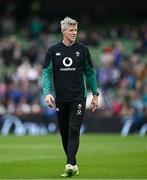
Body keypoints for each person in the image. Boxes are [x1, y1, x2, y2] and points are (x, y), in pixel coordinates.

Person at [42, 17, 99, 177]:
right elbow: (46, 73)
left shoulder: (83, 50)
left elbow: (90, 72)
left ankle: (68, 164)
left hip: (78, 98)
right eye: (71, 30)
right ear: (63, 31)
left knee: (74, 129)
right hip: (61, 98)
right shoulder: (53, 51)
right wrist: (47, 92)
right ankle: (73, 163)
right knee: (64, 133)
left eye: (75, 30)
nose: (74, 33)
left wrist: (95, 94)